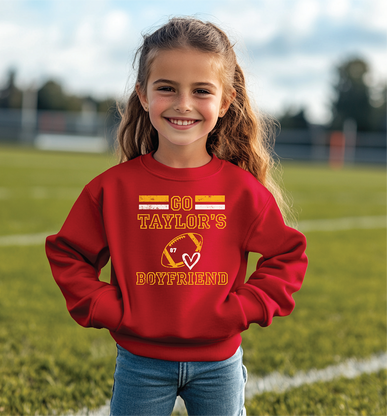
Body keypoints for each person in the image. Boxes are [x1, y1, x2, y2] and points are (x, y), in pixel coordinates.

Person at [45, 17, 308, 416]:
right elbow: (68, 254)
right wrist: (110, 308)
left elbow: (287, 256)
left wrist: (242, 308)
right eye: (166, 88)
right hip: (140, 362)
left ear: (224, 102)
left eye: (201, 90)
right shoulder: (112, 189)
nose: (183, 103)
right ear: (144, 95)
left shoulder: (241, 191)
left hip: (219, 365)